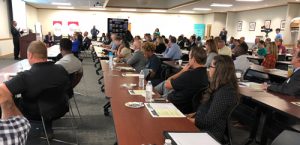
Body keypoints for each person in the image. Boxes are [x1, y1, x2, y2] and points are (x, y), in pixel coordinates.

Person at [3, 40, 70, 138]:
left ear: (30, 55)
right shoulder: (61, 69)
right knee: (45, 96)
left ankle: (12, 132)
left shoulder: (25, 77)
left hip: (35, 113)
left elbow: (2, 91)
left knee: (10, 99)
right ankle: (47, 127)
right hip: (61, 108)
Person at [187, 55, 239, 143]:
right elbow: (207, 110)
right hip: (202, 128)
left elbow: (207, 121)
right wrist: (190, 115)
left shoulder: (225, 92)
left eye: (210, 66)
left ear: (219, 70)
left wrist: (187, 120)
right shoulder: (219, 86)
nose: (208, 69)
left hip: (209, 135)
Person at [155, 47, 209, 114]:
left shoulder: (189, 75)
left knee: (157, 91)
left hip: (173, 105)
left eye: (189, 58)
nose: (188, 61)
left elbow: (167, 83)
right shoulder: (206, 74)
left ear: (193, 60)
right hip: (188, 107)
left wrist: (182, 71)